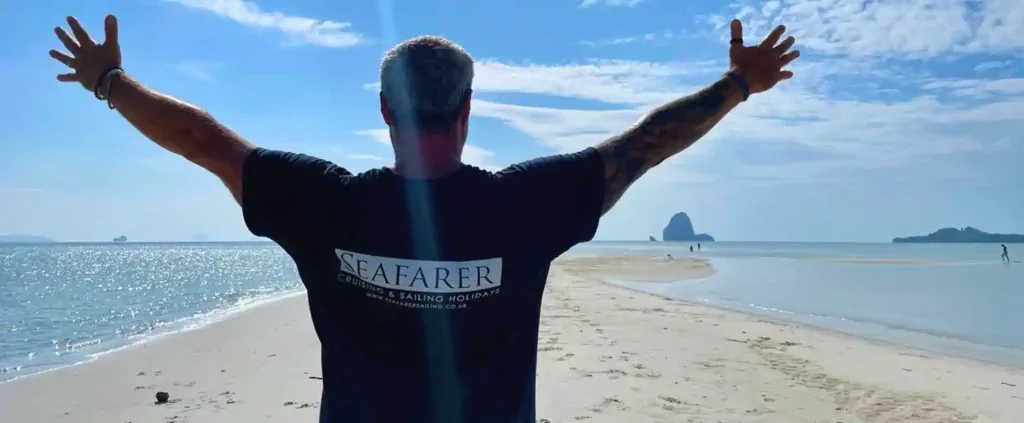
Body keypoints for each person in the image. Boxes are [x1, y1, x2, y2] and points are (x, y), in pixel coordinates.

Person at [48, 15, 799, 423]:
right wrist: (738, 84)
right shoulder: (526, 205)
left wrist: (109, 80)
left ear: (382, 110)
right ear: (469, 110)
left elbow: (209, 143)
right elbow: (645, 144)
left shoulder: (326, 202)